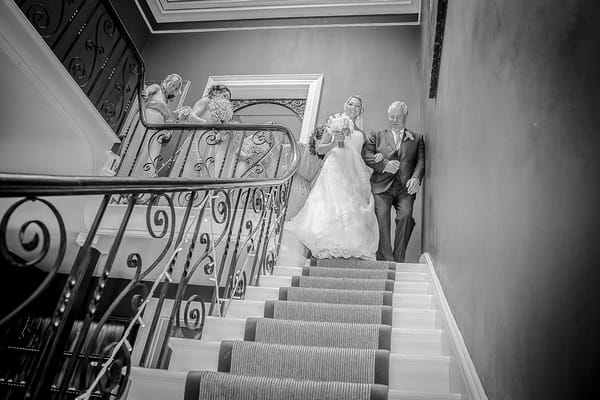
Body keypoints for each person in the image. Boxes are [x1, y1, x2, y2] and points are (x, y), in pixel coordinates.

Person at [292, 95, 379, 260]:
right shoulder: (333, 124)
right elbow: (320, 150)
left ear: (361, 111)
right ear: (346, 106)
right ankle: (328, 244)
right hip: (335, 167)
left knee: (350, 207)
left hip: (353, 171)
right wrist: (334, 143)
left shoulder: (361, 133)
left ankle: (349, 246)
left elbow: (361, 155)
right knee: (332, 204)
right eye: (351, 104)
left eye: (358, 106)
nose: (354, 107)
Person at [362, 101, 425, 262]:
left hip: (405, 188)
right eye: (391, 116)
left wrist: (416, 177)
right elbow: (366, 155)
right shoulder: (377, 135)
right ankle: (386, 260)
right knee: (382, 218)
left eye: (398, 117)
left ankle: (398, 260)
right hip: (381, 186)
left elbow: (420, 160)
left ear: (405, 117)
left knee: (406, 216)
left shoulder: (416, 138)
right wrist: (384, 165)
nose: (394, 120)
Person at [170, 84, 235, 178]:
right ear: (216, 92)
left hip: (210, 138)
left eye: (228, 99)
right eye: (224, 96)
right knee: (193, 161)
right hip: (200, 135)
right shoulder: (206, 101)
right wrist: (206, 123)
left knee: (206, 163)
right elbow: (192, 116)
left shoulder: (221, 110)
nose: (226, 100)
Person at [134, 73, 183, 177]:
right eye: (173, 85)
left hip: (157, 130)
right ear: (167, 82)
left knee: (151, 153)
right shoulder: (157, 88)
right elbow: (148, 90)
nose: (174, 88)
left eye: (176, 87)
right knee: (141, 148)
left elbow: (167, 119)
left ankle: (142, 178)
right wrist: (146, 93)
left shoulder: (166, 101)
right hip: (149, 120)